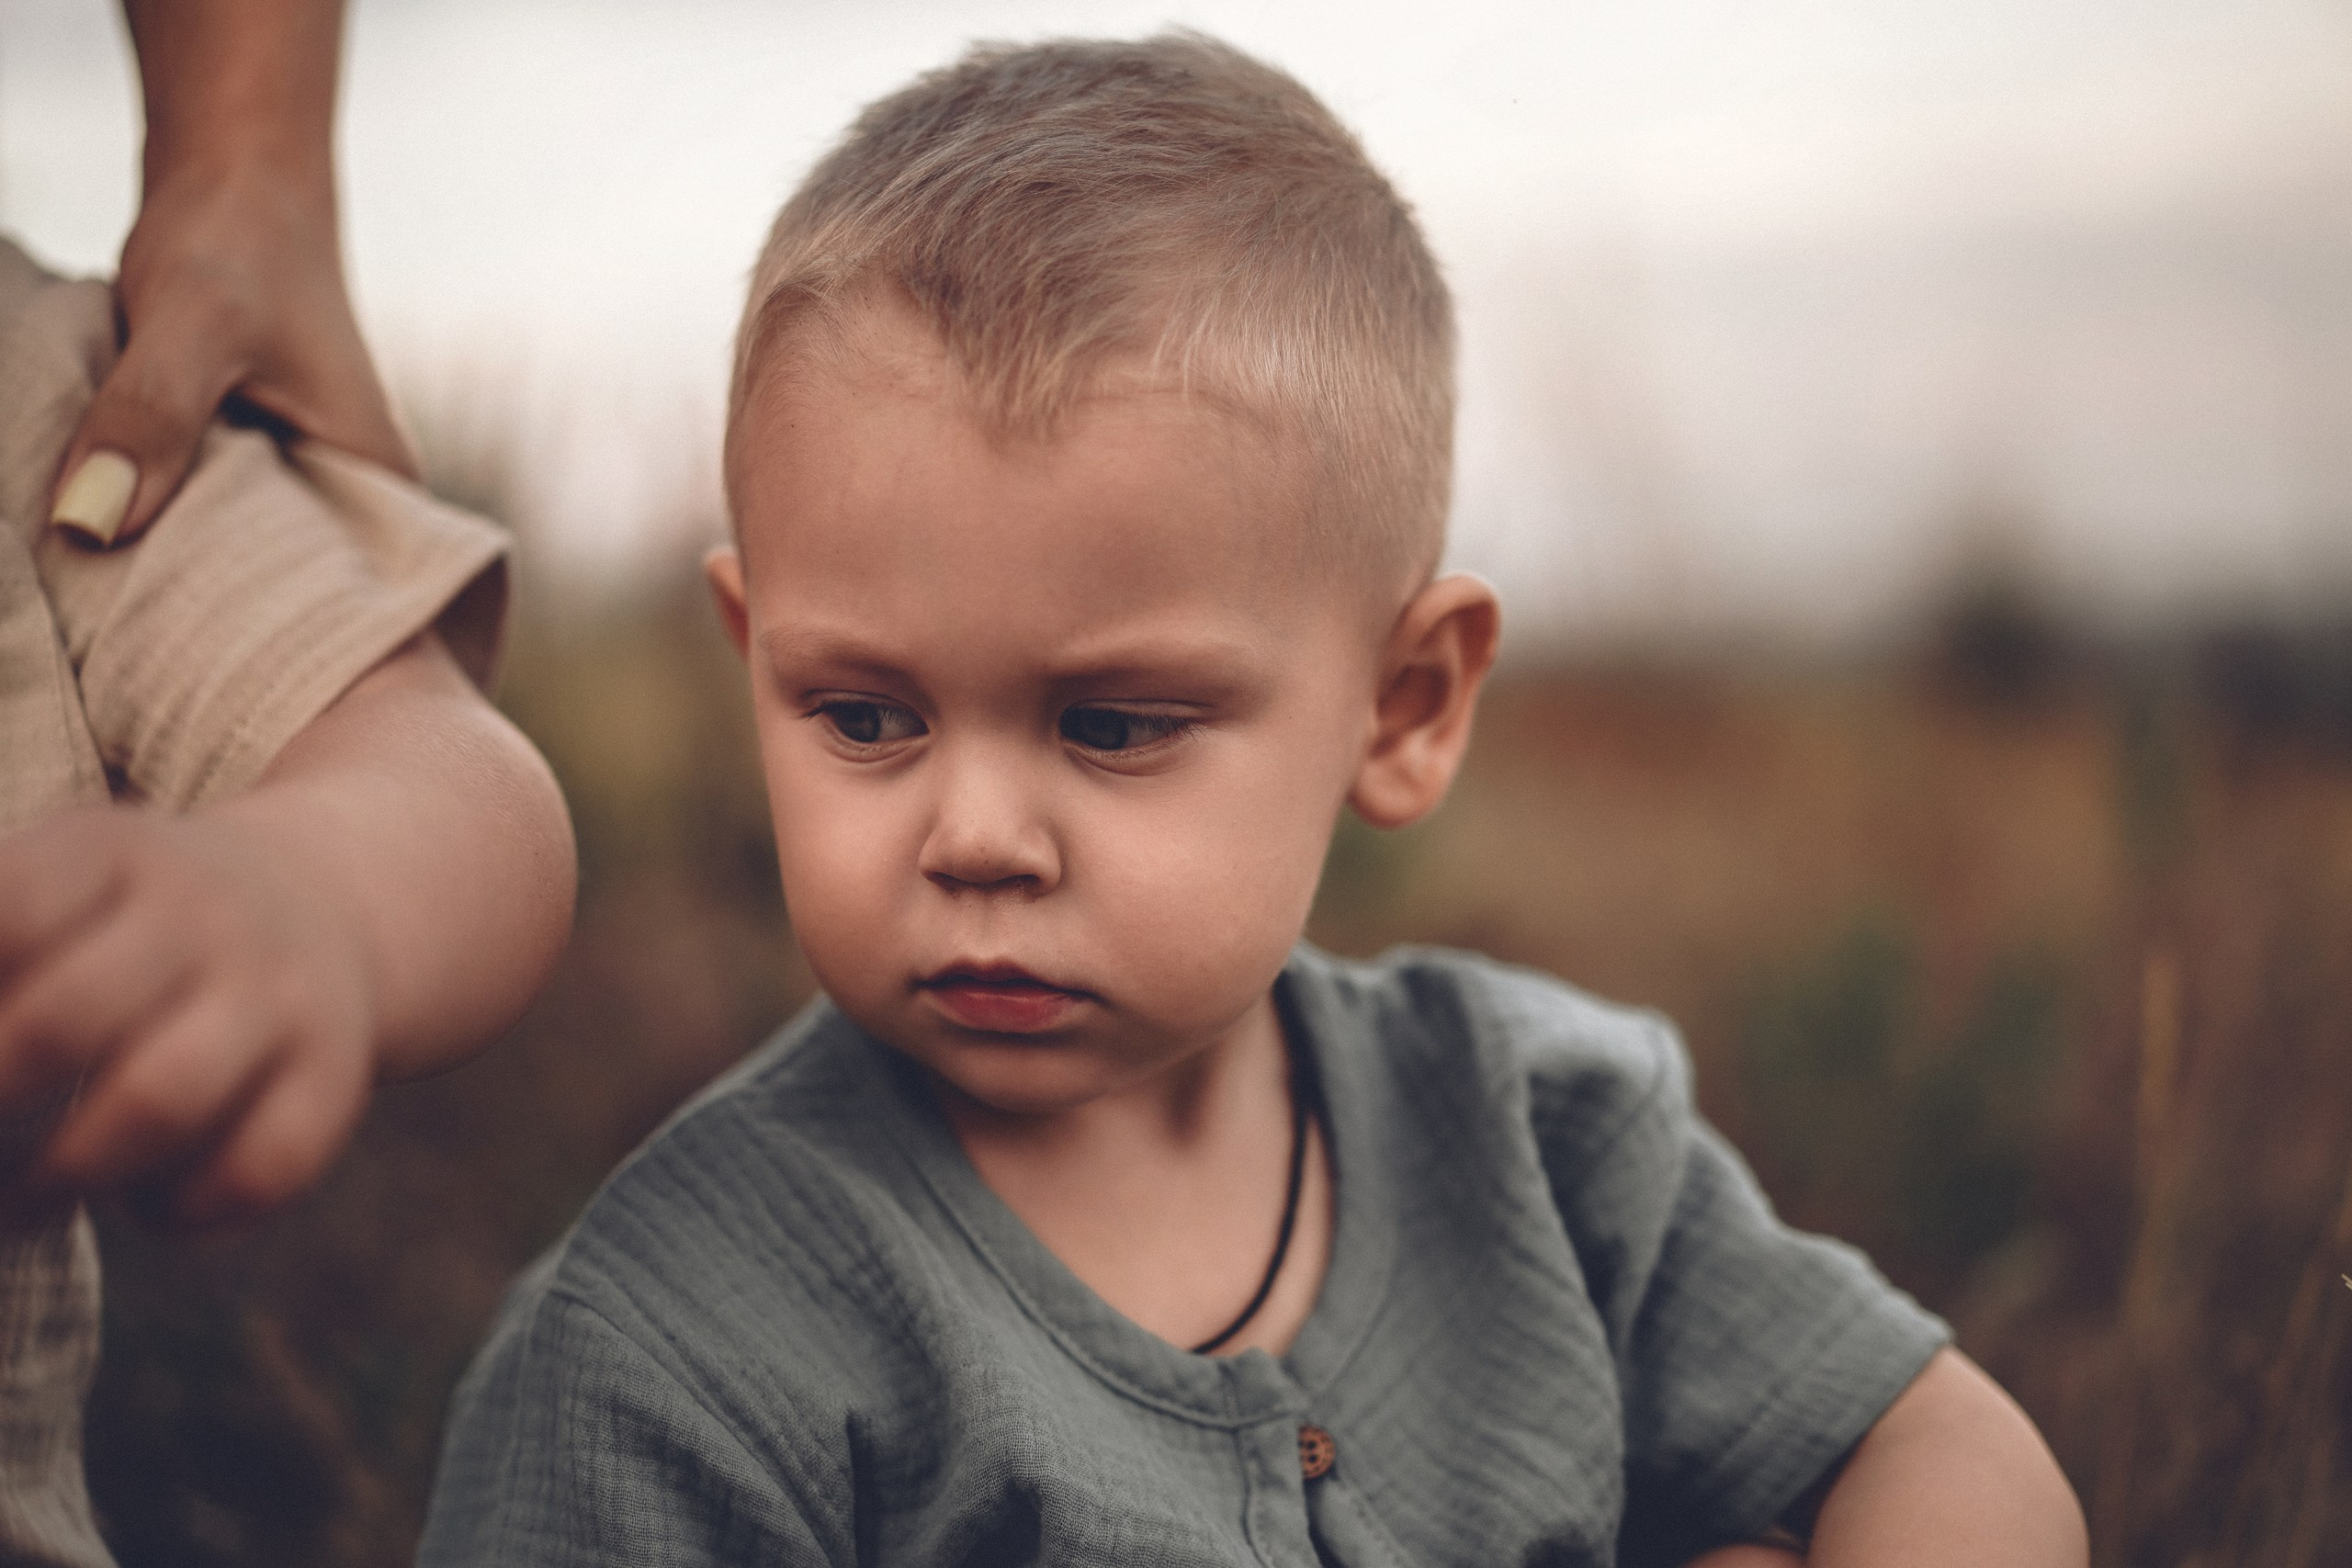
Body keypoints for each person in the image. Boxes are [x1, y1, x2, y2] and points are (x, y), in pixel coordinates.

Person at [419, 33, 2087, 1568]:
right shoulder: (672, 1356)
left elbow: (1946, 1453)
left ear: (1403, 709)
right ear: (754, 658)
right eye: (864, 715)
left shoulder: (1534, 1139)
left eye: (1114, 726)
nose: (975, 836)